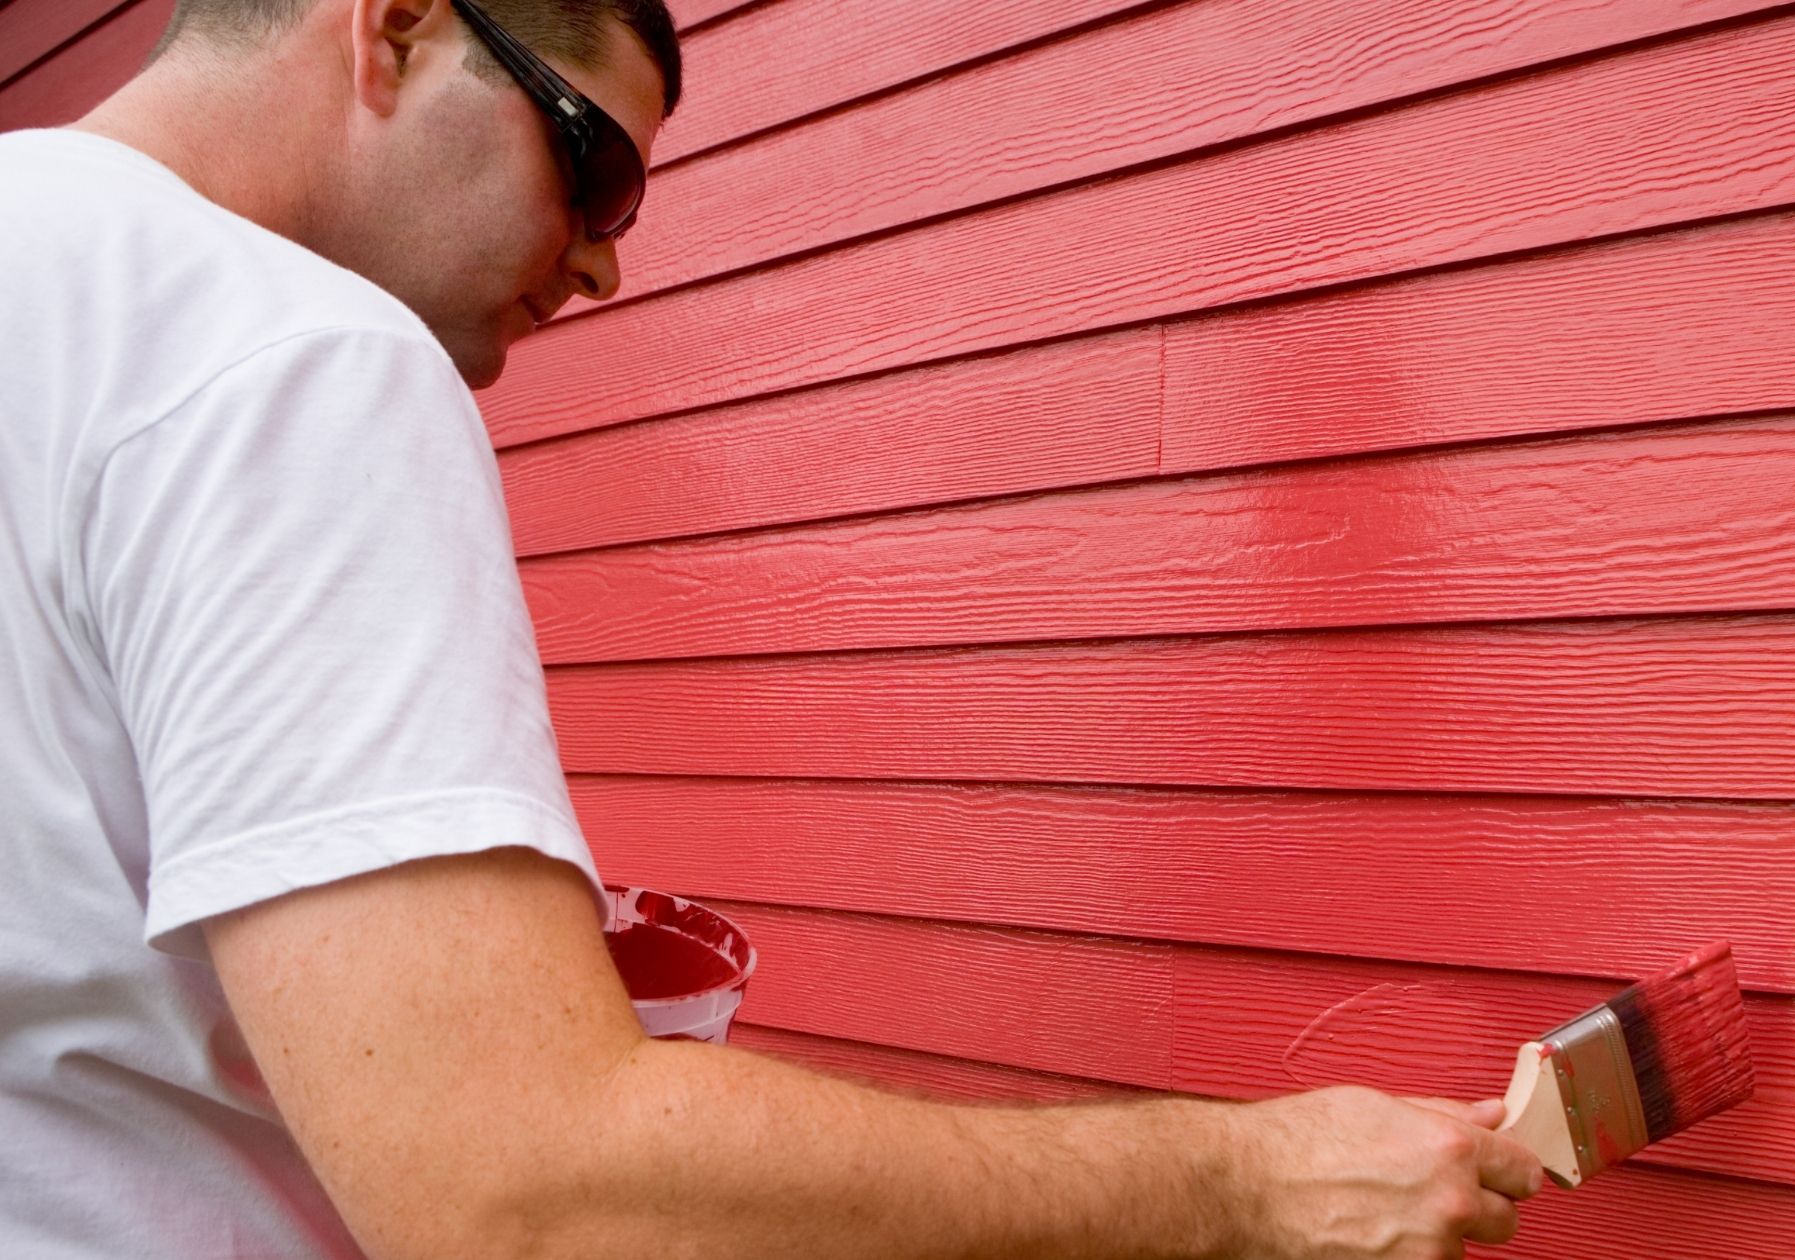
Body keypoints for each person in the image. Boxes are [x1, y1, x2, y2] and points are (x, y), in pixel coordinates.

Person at [0, 0, 1543, 1255]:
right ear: (394, 29)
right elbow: (528, 1191)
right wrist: (1254, 1184)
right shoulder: (287, 356)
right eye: (593, 166)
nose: (603, 260)